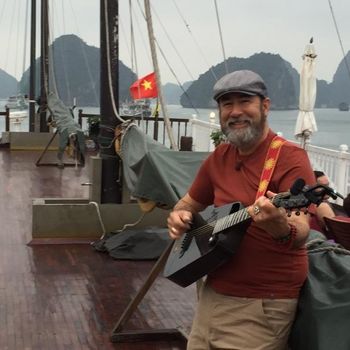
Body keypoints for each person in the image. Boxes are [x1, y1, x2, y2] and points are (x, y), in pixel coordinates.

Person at [167, 70, 316, 350]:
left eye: (244, 101)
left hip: (262, 304)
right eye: (227, 104)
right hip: (212, 292)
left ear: (265, 106)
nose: (235, 112)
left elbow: (301, 233)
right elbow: (187, 203)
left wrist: (279, 227)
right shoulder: (219, 157)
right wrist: (179, 217)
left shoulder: (290, 159)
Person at [309, 170, 335, 235]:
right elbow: (337, 232)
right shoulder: (322, 206)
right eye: (322, 187)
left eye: (328, 185)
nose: (328, 189)